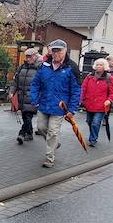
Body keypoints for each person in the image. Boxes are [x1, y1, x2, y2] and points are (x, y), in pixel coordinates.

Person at [28, 39, 81, 168]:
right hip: (44, 103)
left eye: (59, 51)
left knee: (53, 131)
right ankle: (54, 143)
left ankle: (49, 158)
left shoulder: (71, 67)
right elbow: (35, 84)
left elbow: (76, 89)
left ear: (65, 51)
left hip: (59, 106)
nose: (56, 53)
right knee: (41, 128)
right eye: (54, 50)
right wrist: (35, 99)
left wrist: (72, 109)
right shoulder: (44, 66)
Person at [7, 48, 42, 144]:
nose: (28, 59)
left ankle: (22, 133)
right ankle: (29, 134)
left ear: (35, 56)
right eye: (27, 57)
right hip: (22, 97)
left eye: (30, 57)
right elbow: (15, 82)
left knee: (28, 116)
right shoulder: (22, 68)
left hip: (33, 98)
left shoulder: (40, 68)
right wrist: (11, 92)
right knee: (25, 116)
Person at [80, 58, 113, 147]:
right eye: (97, 65)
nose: (98, 66)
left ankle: (93, 139)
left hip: (101, 105)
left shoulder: (109, 78)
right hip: (89, 103)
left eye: (101, 65)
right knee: (89, 121)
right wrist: (80, 100)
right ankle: (93, 134)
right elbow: (83, 89)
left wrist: (109, 100)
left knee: (95, 122)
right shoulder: (89, 77)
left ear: (104, 67)